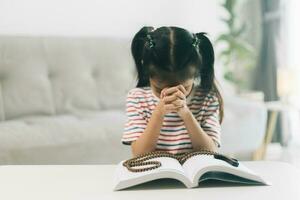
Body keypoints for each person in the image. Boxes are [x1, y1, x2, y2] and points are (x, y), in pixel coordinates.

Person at [121, 26, 224, 157]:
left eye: (184, 88)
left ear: (197, 72)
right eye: (159, 89)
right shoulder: (137, 98)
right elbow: (139, 154)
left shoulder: (207, 99)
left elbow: (211, 152)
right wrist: (158, 113)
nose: (171, 95)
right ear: (147, 72)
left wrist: (186, 113)